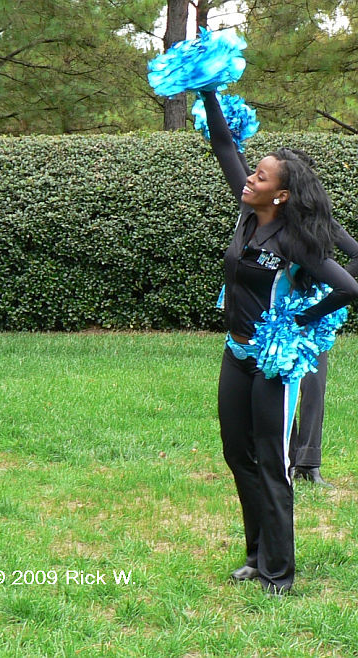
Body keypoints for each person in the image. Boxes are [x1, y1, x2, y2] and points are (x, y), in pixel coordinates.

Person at [203, 90, 358, 595]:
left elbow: (349, 285)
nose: (250, 178)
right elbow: (226, 146)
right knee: (236, 453)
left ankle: (278, 572)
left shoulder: (294, 240)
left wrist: (299, 322)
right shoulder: (247, 212)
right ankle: (255, 554)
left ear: (282, 195)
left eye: (261, 176)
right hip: (236, 351)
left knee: (273, 461)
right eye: (254, 173)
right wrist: (207, 89)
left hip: (272, 363)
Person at [232, 146, 358, 488]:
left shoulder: (316, 222)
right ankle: (285, 459)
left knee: (311, 383)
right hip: (268, 314)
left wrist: (312, 297)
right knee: (280, 388)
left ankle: (308, 462)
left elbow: (354, 259)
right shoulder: (263, 220)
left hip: (305, 318)